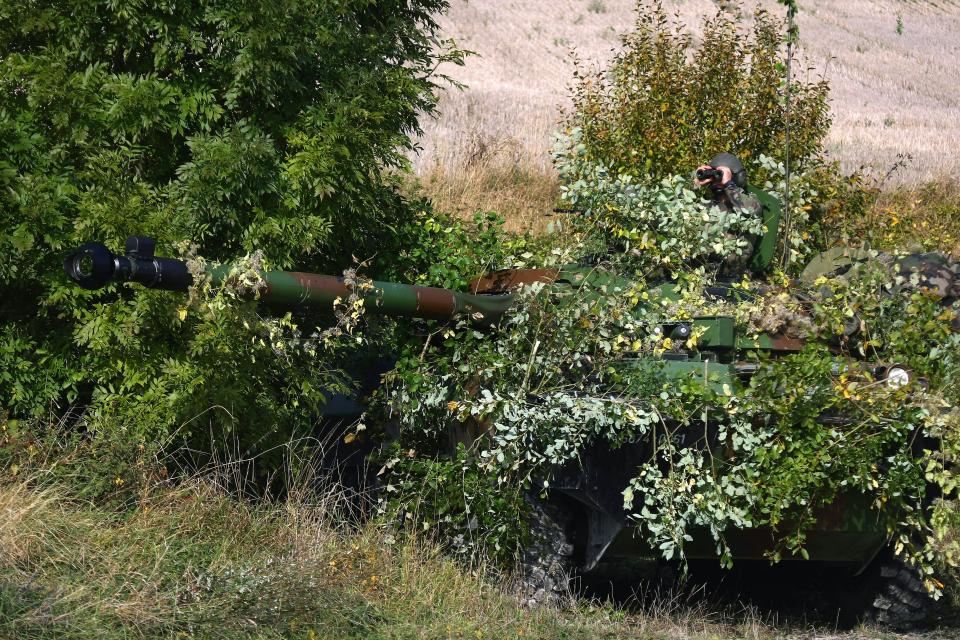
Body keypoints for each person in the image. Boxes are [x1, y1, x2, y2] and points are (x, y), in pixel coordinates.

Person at [694, 152, 764, 277]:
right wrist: (694, 183)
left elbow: (750, 209)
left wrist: (728, 185)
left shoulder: (751, 204)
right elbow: (675, 209)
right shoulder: (706, 205)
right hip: (698, 272)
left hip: (728, 276)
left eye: (720, 176)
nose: (718, 180)